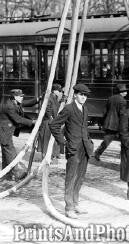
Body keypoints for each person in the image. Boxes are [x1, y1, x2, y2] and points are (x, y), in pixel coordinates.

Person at [49, 83, 94, 219]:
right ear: (75, 94)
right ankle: (69, 208)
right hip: (73, 148)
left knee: (80, 177)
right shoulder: (69, 109)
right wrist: (63, 142)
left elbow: (84, 128)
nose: (83, 97)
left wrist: (89, 141)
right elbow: (54, 125)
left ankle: (75, 203)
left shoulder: (85, 109)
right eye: (81, 94)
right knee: (71, 177)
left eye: (85, 95)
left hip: (84, 147)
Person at [0, 89, 33, 181]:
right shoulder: (9, 106)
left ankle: (5, 175)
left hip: (5, 131)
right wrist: (32, 122)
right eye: (20, 96)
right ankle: (16, 172)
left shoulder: (14, 103)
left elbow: (27, 103)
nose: (22, 98)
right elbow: (18, 119)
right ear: (15, 97)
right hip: (4, 132)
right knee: (11, 153)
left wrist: (38, 99)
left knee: (6, 154)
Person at [94, 84, 128, 161]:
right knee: (124, 140)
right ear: (121, 92)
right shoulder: (123, 101)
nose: (126, 92)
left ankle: (97, 153)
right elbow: (122, 115)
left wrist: (104, 121)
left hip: (109, 124)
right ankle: (124, 157)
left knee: (106, 140)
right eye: (125, 91)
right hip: (118, 125)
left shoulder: (111, 98)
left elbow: (105, 111)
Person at [38, 83, 63, 161]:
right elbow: (47, 108)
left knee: (53, 140)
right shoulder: (49, 97)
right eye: (59, 91)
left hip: (52, 121)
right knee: (46, 140)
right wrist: (50, 117)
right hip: (48, 121)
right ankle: (45, 157)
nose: (60, 93)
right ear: (55, 91)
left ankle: (52, 156)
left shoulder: (54, 97)